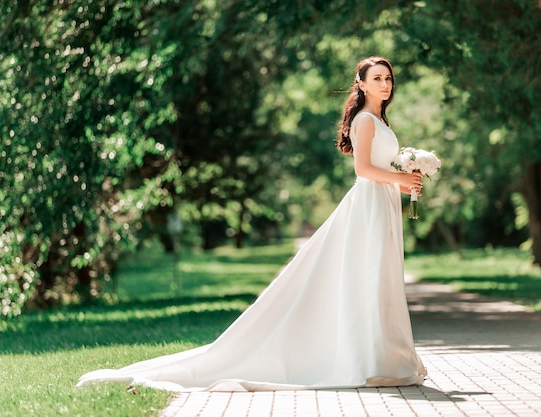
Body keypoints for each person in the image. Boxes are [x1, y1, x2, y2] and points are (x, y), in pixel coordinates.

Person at [77, 56, 427, 392]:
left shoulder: (380, 122)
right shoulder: (365, 121)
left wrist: (407, 176)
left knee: (381, 276)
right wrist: (401, 179)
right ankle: (367, 360)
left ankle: (385, 357)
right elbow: (363, 170)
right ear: (361, 84)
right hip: (368, 204)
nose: (384, 84)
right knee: (367, 275)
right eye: (377, 78)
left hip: (383, 203)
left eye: (388, 78)